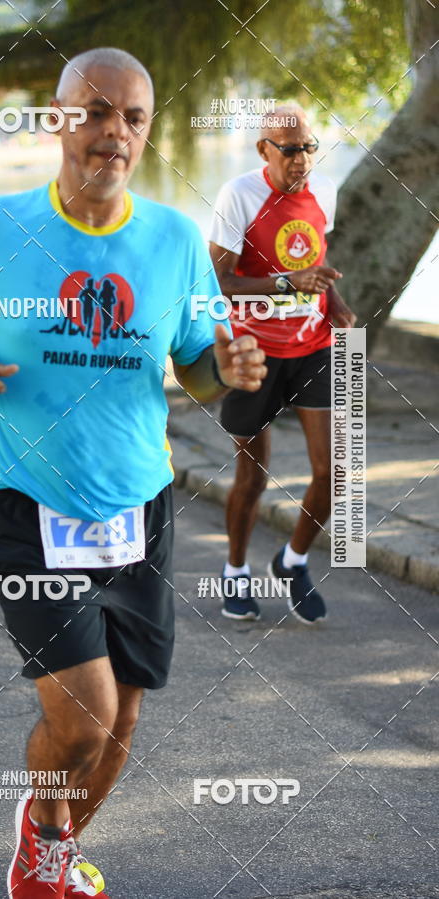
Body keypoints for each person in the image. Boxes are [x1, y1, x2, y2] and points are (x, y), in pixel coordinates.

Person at [0, 47, 266, 899]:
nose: (115, 133)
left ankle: (45, 857)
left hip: (141, 508)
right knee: (86, 714)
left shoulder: (174, 240)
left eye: (133, 118)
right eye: (98, 112)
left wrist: (233, 369)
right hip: (28, 506)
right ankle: (41, 844)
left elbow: (197, 368)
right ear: (59, 120)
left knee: (124, 719)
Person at [209, 105, 355, 626]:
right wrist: (283, 286)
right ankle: (234, 571)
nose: (302, 159)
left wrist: (333, 304)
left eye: (309, 147)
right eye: (289, 149)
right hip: (255, 353)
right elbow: (217, 282)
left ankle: (291, 561)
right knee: (253, 477)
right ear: (264, 150)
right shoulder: (239, 195)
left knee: (332, 472)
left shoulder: (324, 191)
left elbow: (315, 256)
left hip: (311, 347)